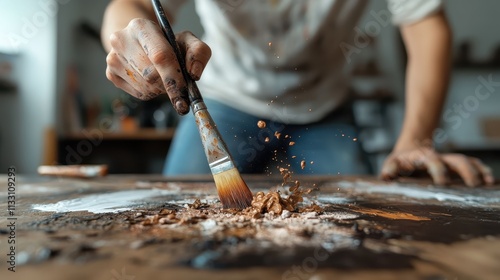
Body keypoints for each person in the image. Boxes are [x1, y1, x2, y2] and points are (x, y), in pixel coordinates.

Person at [101, 0, 494, 187]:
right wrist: (135, 41)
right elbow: (128, 7)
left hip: (323, 107)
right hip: (224, 100)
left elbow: (426, 28)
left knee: (354, 227)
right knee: (175, 214)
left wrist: (414, 141)